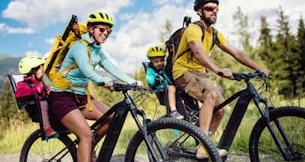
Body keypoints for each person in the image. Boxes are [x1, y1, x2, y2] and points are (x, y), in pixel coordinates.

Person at [172, 0, 270, 159]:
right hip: (182, 71)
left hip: (200, 74)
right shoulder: (194, 29)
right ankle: (203, 148)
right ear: (199, 11)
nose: (214, 12)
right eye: (209, 9)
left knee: (221, 109)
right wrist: (217, 69)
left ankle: (207, 145)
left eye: (216, 9)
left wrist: (258, 67)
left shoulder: (214, 33)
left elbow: (236, 52)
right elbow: (197, 51)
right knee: (211, 95)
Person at [48, 11, 143, 162]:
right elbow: (86, 68)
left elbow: (111, 67)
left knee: (112, 119)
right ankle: (86, 145)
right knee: (85, 134)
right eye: (102, 29)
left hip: (81, 96)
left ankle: (87, 148)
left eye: (109, 31)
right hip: (62, 97)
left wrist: (132, 81)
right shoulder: (79, 46)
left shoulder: (97, 50)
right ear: (91, 29)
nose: (105, 33)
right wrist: (102, 80)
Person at [16, 55, 57, 137]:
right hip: (36, 109)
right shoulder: (23, 84)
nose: (43, 72)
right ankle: (47, 129)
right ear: (33, 71)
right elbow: (19, 94)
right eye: (41, 69)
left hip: (47, 107)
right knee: (44, 104)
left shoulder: (41, 83)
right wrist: (36, 90)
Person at [146, 45, 184, 119]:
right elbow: (150, 79)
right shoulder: (150, 70)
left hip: (167, 87)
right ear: (151, 61)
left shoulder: (164, 68)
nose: (160, 63)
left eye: (162, 60)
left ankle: (188, 110)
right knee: (172, 88)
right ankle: (173, 111)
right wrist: (155, 80)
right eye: (156, 62)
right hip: (160, 89)